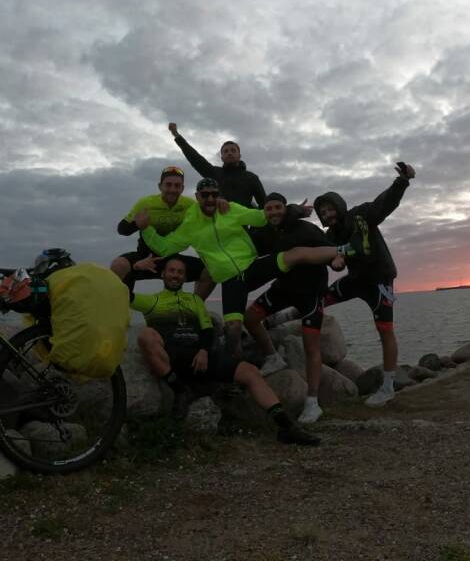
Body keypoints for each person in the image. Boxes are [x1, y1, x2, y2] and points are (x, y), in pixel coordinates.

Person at [135, 177, 342, 360]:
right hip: (231, 280)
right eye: (204, 195)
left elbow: (263, 216)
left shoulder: (230, 209)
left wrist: (294, 209)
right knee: (233, 330)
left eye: (214, 195)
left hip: (251, 267)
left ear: (218, 196)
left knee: (295, 254)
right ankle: (260, 360)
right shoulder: (190, 224)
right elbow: (166, 246)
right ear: (197, 196)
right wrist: (146, 229)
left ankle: (342, 250)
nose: (209, 199)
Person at [130, 256, 320, 445]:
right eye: (171, 271)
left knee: (250, 372)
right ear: (163, 274)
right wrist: (136, 268)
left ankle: (286, 427)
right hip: (173, 358)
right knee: (145, 335)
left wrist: (204, 351)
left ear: (184, 277)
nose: (176, 275)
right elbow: (121, 291)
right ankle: (180, 391)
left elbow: (206, 330)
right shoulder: (151, 301)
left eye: (180, 272)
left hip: (200, 357)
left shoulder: (194, 301)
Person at [314, 161, 417, 408]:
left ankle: (388, 387)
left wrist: (402, 181)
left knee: (385, 329)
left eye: (329, 209)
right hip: (356, 281)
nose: (327, 215)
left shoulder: (360, 215)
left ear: (339, 206)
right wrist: (335, 263)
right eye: (322, 213)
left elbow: (385, 203)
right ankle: (282, 320)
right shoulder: (329, 237)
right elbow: (332, 259)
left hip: (381, 281)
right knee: (317, 300)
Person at [243, 192, 332, 423]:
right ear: (264, 212)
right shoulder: (264, 234)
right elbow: (248, 248)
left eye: (277, 207)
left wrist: (337, 261)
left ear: (284, 208)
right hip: (283, 288)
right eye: (269, 208)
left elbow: (330, 250)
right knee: (250, 318)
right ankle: (273, 356)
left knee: (311, 346)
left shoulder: (305, 229)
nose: (273, 212)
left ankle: (313, 403)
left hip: (311, 293)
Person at [109, 165, 211, 299]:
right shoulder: (146, 203)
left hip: (172, 258)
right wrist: (137, 224)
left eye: (177, 186)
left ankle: (194, 309)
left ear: (182, 188)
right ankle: (121, 311)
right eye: (168, 185)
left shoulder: (190, 205)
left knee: (211, 270)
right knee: (118, 265)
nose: (172, 190)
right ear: (160, 186)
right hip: (144, 257)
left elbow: (210, 218)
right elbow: (122, 229)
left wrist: (221, 202)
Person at [168, 122, 266, 208]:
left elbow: (264, 204)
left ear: (239, 156)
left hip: (242, 226)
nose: (230, 153)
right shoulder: (214, 173)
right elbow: (195, 158)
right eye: (226, 151)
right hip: (217, 224)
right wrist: (177, 135)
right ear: (222, 157)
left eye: (233, 150)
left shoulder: (251, 178)